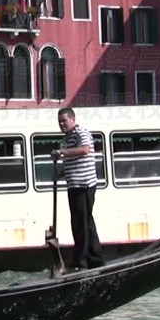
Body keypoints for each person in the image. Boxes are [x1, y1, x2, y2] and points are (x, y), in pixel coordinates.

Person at [52, 107, 105, 271]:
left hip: (84, 185)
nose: (62, 124)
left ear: (73, 120)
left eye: (64, 120)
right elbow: (73, 161)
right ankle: (95, 259)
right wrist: (61, 173)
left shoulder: (82, 132)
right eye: (59, 121)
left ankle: (80, 262)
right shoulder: (67, 139)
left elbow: (84, 150)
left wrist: (61, 153)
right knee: (86, 222)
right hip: (74, 185)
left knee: (80, 224)